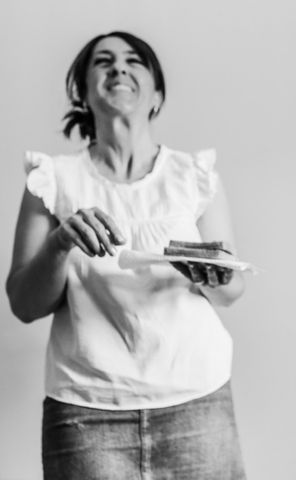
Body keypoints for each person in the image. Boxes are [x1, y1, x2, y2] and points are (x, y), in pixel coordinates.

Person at [6, 31, 246, 479]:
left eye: (134, 61)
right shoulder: (50, 180)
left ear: (156, 92)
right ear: (82, 90)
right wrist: (61, 242)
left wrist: (214, 272)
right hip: (84, 412)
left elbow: (233, 290)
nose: (119, 68)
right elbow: (23, 303)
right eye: (104, 61)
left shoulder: (194, 176)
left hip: (198, 399)